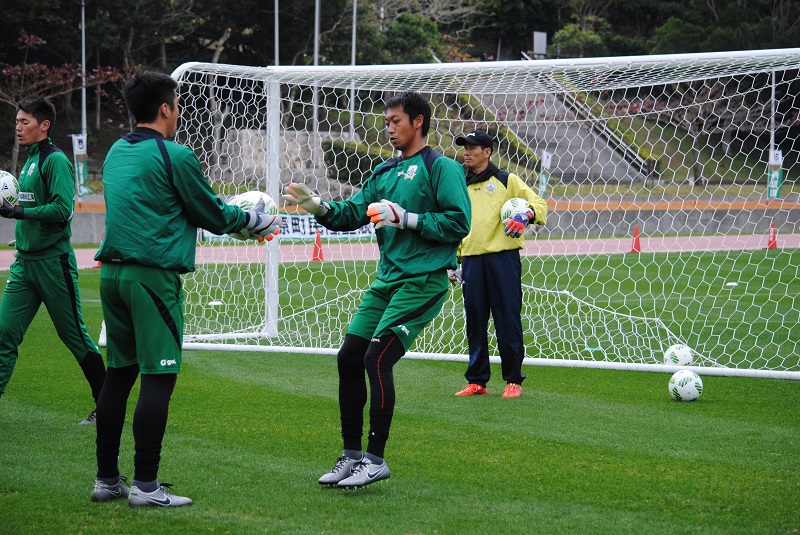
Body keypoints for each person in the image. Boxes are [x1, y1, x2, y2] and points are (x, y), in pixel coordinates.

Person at [90, 70, 281, 507]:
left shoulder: (116, 151)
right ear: (165, 108)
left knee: (119, 374)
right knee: (159, 375)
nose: (178, 114)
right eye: (176, 106)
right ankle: (146, 485)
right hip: (152, 277)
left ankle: (107, 480)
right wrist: (254, 221)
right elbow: (211, 212)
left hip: (112, 275)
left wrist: (234, 221)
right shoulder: (175, 154)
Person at [282, 91, 470, 489]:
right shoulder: (384, 172)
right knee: (349, 357)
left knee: (376, 358)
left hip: (422, 281)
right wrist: (319, 207)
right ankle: (351, 456)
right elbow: (353, 212)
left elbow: (458, 223)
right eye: (386, 122)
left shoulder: (442, 168)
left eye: (396, 121)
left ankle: (375, 460)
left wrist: (406, 218)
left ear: (418, 122)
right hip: (386, 281)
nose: (389, 129)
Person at [0, 97, 105, 425]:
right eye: (17, 121)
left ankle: (107, 406)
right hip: (24, 265)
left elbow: (62, 210)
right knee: (4, 332)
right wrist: (24, 231)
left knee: (74, 336)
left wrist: (17, 212)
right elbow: (33, 205)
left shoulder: (55, 160)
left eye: (25, 122)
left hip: (53, 264)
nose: (18, 127)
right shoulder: (30, 160)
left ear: (44, 125)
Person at [452, 130, 547, 399]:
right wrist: (453, 260)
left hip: (502, 259)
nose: (466, 152)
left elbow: (539, 203)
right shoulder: (460, 183)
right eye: (465, 147)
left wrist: (526, 215)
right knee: (475, 321)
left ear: (487, 152)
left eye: (472, 147)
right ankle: (477, 380)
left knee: (507, 319)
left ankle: (513, 381)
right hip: (471, 261)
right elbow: (457, 221)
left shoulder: (506, 179)